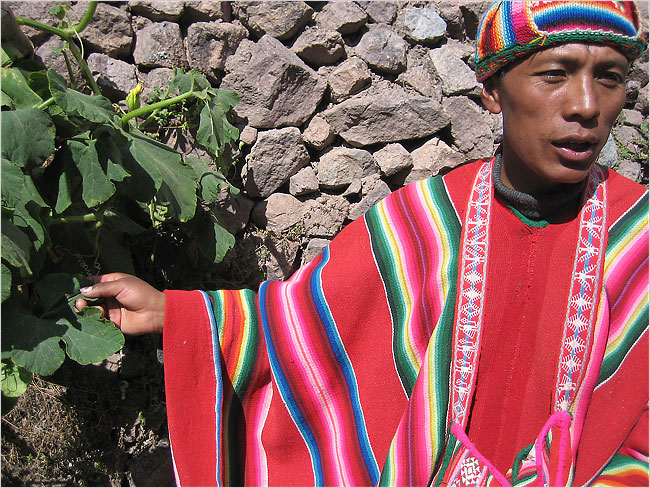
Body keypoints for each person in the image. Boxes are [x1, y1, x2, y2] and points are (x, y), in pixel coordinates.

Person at [77, 2, 649, 486]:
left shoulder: (639, 238)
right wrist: (175, 313)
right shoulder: (425, 220)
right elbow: (298, 323)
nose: (586, 106)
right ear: (493, 92)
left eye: (610, 76)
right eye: (555, 73)